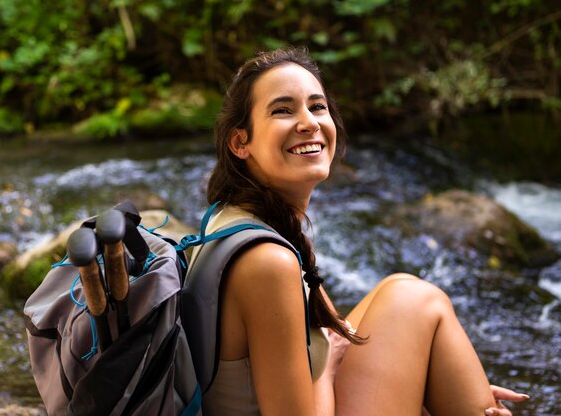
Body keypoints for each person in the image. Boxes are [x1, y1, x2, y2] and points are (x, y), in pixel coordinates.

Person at [190, 47, 529, 416]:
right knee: (418, 299)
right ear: (241, 142)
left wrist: (443, 382)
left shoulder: (237, 218)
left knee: (403, 292)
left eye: (317, 107)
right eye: (283, 110)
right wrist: (329, 368)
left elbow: (327, 334)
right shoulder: (268, 261)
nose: (309, 122)